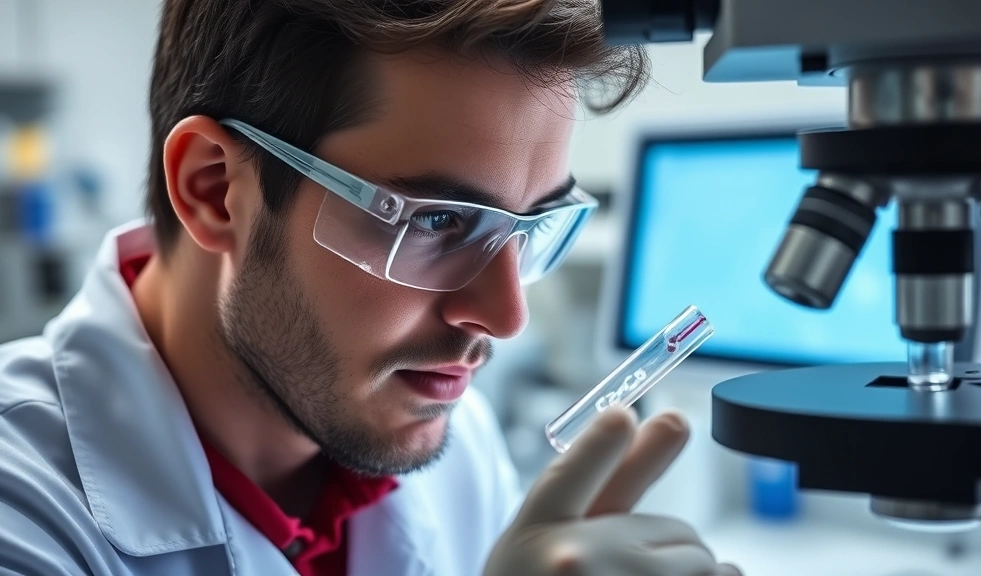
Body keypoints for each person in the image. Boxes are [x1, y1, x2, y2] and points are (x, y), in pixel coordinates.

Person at [0, 1, 742, 575]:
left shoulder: (456, 440)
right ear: (215, 189)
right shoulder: (23, 512)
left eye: (535, 224)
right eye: (438, 221)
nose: (504, 317)